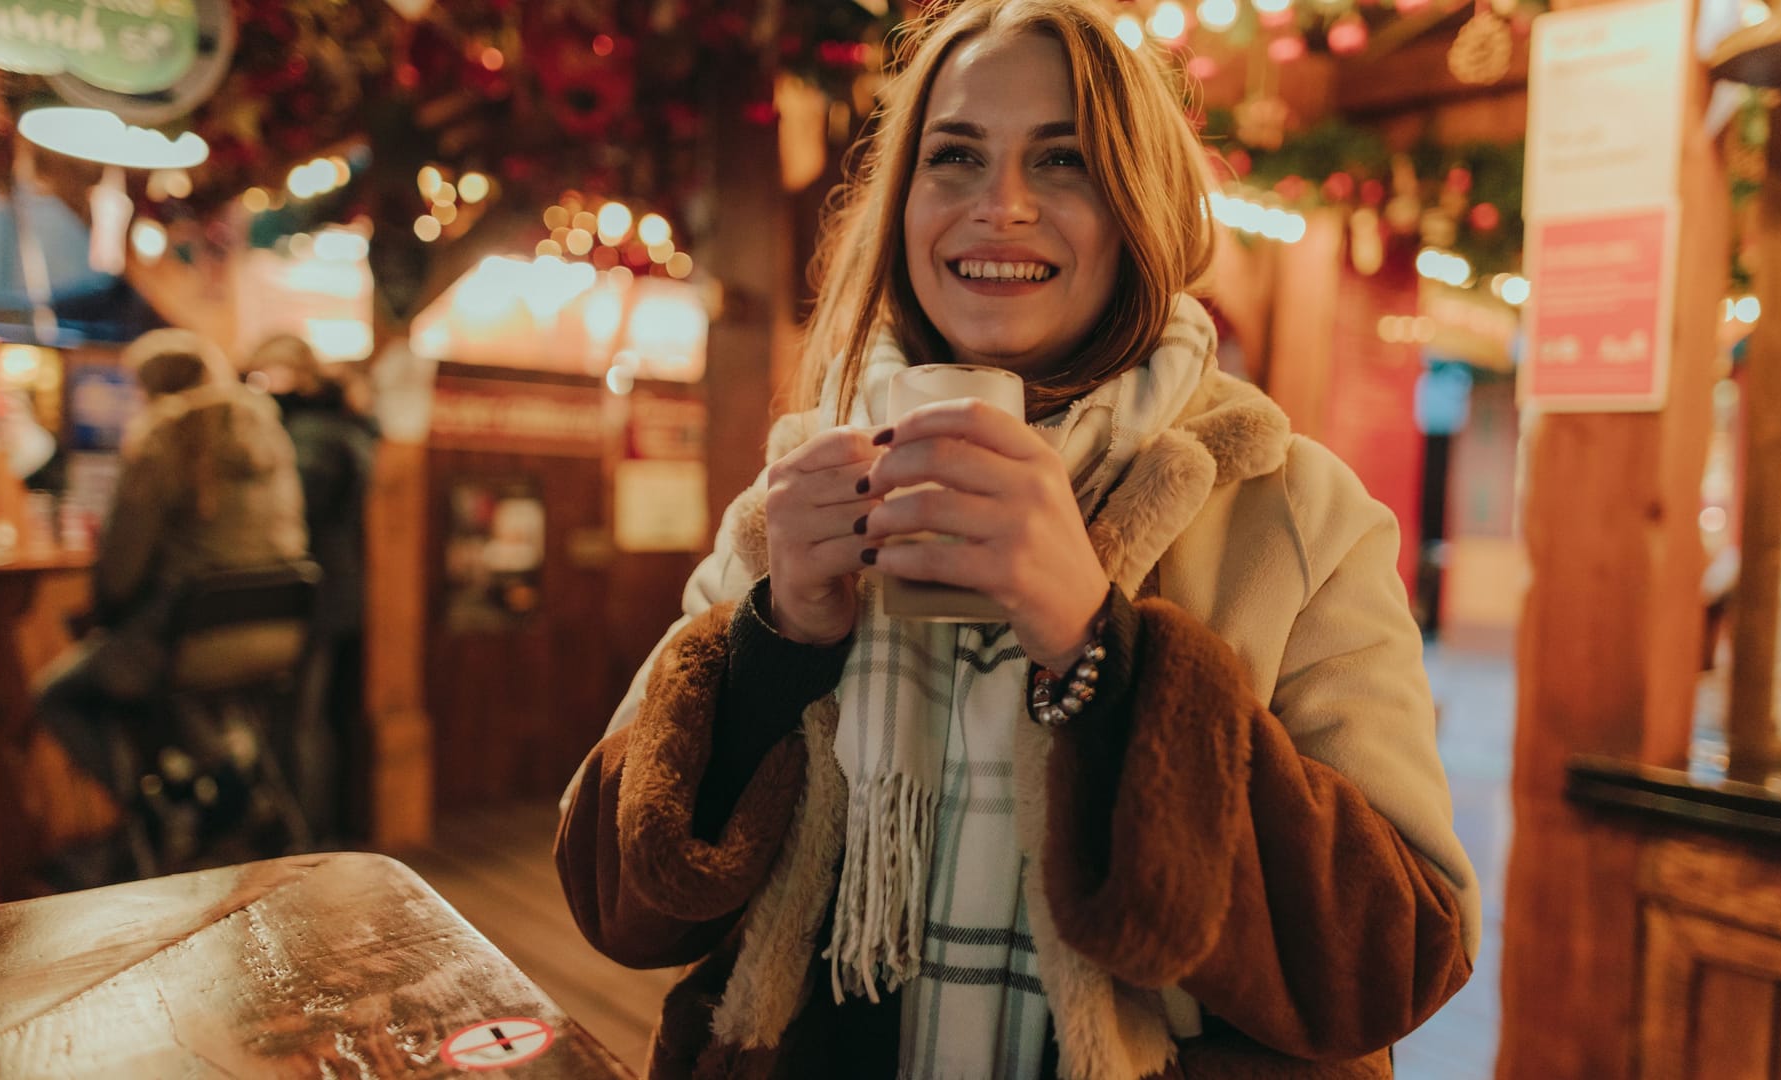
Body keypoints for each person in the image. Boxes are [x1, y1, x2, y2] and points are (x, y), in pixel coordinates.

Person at [555, 2, 1478, 1075]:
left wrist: (1100, 649)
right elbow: (617, 907)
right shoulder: (799, 489)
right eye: (953, 156)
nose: (999, 207)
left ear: (1144, 207)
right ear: (903, 203)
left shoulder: (1296, 510)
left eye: (1066, 162)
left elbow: (1398, 956)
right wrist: (777, 642)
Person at [32, 329, 306, 882]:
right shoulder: (269, 433)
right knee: (181, 695)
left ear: (150, 388)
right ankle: (225, 787)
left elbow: (121, 568)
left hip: (189, 641)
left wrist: (106, 608)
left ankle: (155, 809)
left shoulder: (164, 438)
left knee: (58, 693)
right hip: (276, 635)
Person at [247, 334, 379, 842]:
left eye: (266, 375)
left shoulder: (309, 433)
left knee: (300, 722)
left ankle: (302, 839)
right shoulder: (341, 425)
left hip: (313, 592)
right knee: (319, 718)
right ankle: (323, 830)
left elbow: (298, 510)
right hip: (338, 588)